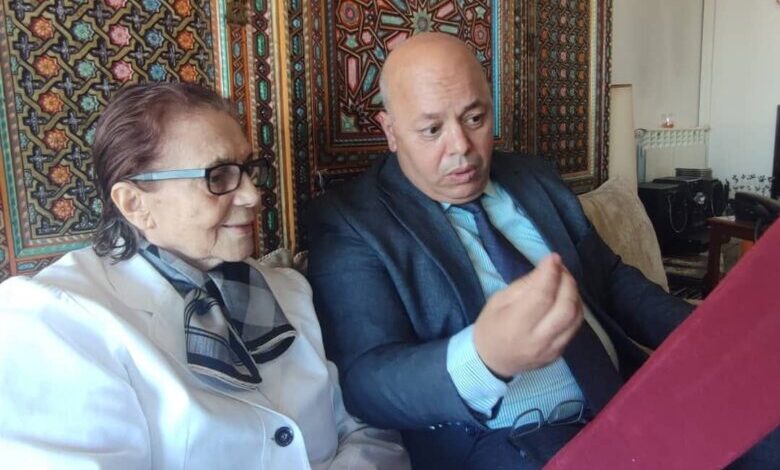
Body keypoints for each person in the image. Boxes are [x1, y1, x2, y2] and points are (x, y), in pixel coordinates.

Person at [305, 33, 694, 468]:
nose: (461, 147)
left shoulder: (532, 177)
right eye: (432, 130)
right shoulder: (352, 221)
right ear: (390, 131)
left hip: (628, 401)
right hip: (509, 442)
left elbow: (613, 279)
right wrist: (484, 357)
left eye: (475, 118)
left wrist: (704, 332)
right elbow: (366, 382)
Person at [0, 82, 409, 469]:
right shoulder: (55, 321)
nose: (252, 195)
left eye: (248, 170)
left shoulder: (288, 290)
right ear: (135, 204)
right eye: (218, 177)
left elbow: (365, 429)